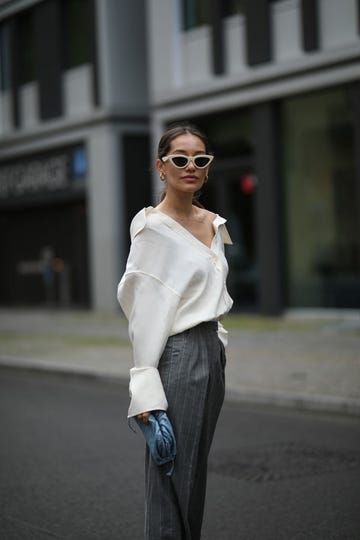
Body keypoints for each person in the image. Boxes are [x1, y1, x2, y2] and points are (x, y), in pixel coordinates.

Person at [117, 123, 233, 539]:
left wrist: (217, 343)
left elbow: (212, 294)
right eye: (179, 159)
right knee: (170, 474)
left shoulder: (212, 223)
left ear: (208, 168)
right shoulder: (153, 229)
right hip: (178, 354)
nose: (190, 166)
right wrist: (145, 387)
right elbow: (142, 311)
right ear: (160, 167)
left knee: (193, 472)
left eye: (199, 159)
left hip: (209, 352)